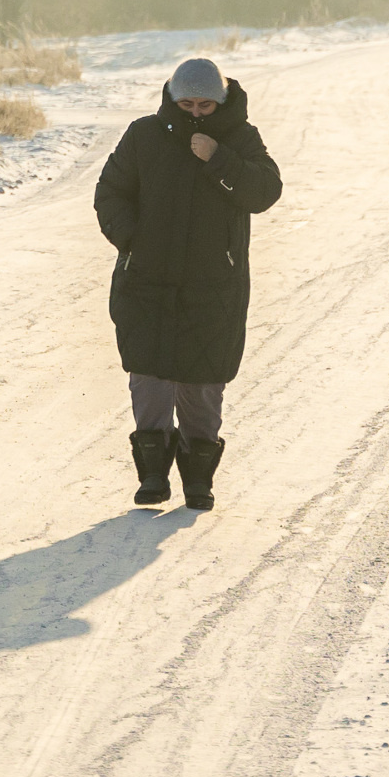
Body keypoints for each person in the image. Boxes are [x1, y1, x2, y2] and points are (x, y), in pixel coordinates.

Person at [93, 55, 283, 511]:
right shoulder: (144, 135)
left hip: (214, 285)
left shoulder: (242, 138)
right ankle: (153, 476)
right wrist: (131, 241)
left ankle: (199, 481)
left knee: (201, 384)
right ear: (172, 99)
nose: (195, 112)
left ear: (221, 102)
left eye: (205, 104)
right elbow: (110, 192)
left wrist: (219, 159)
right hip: (146, 280)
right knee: (150, 377)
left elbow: (265, 192)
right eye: (186, 103)